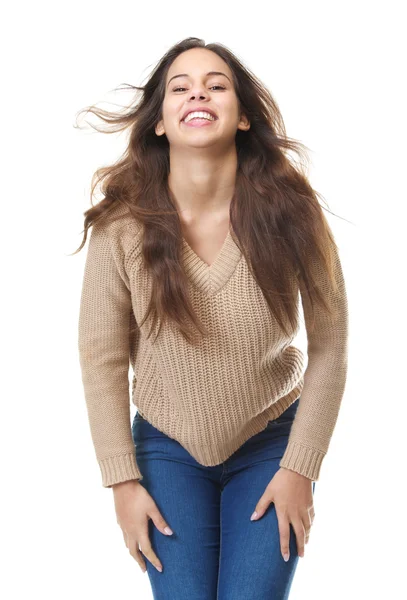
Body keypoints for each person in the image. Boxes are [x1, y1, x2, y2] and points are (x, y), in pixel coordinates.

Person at [75, 37, 349, 599]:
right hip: (165, 449)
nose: (198, 92)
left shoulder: (293, 209)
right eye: (180, 87)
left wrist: (301, 466)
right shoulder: (120, 224)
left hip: (271, 443)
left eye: (216, 84)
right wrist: (122, 483)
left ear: (243, 116)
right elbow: (101, 357)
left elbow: (331, 345)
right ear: (159, 122)